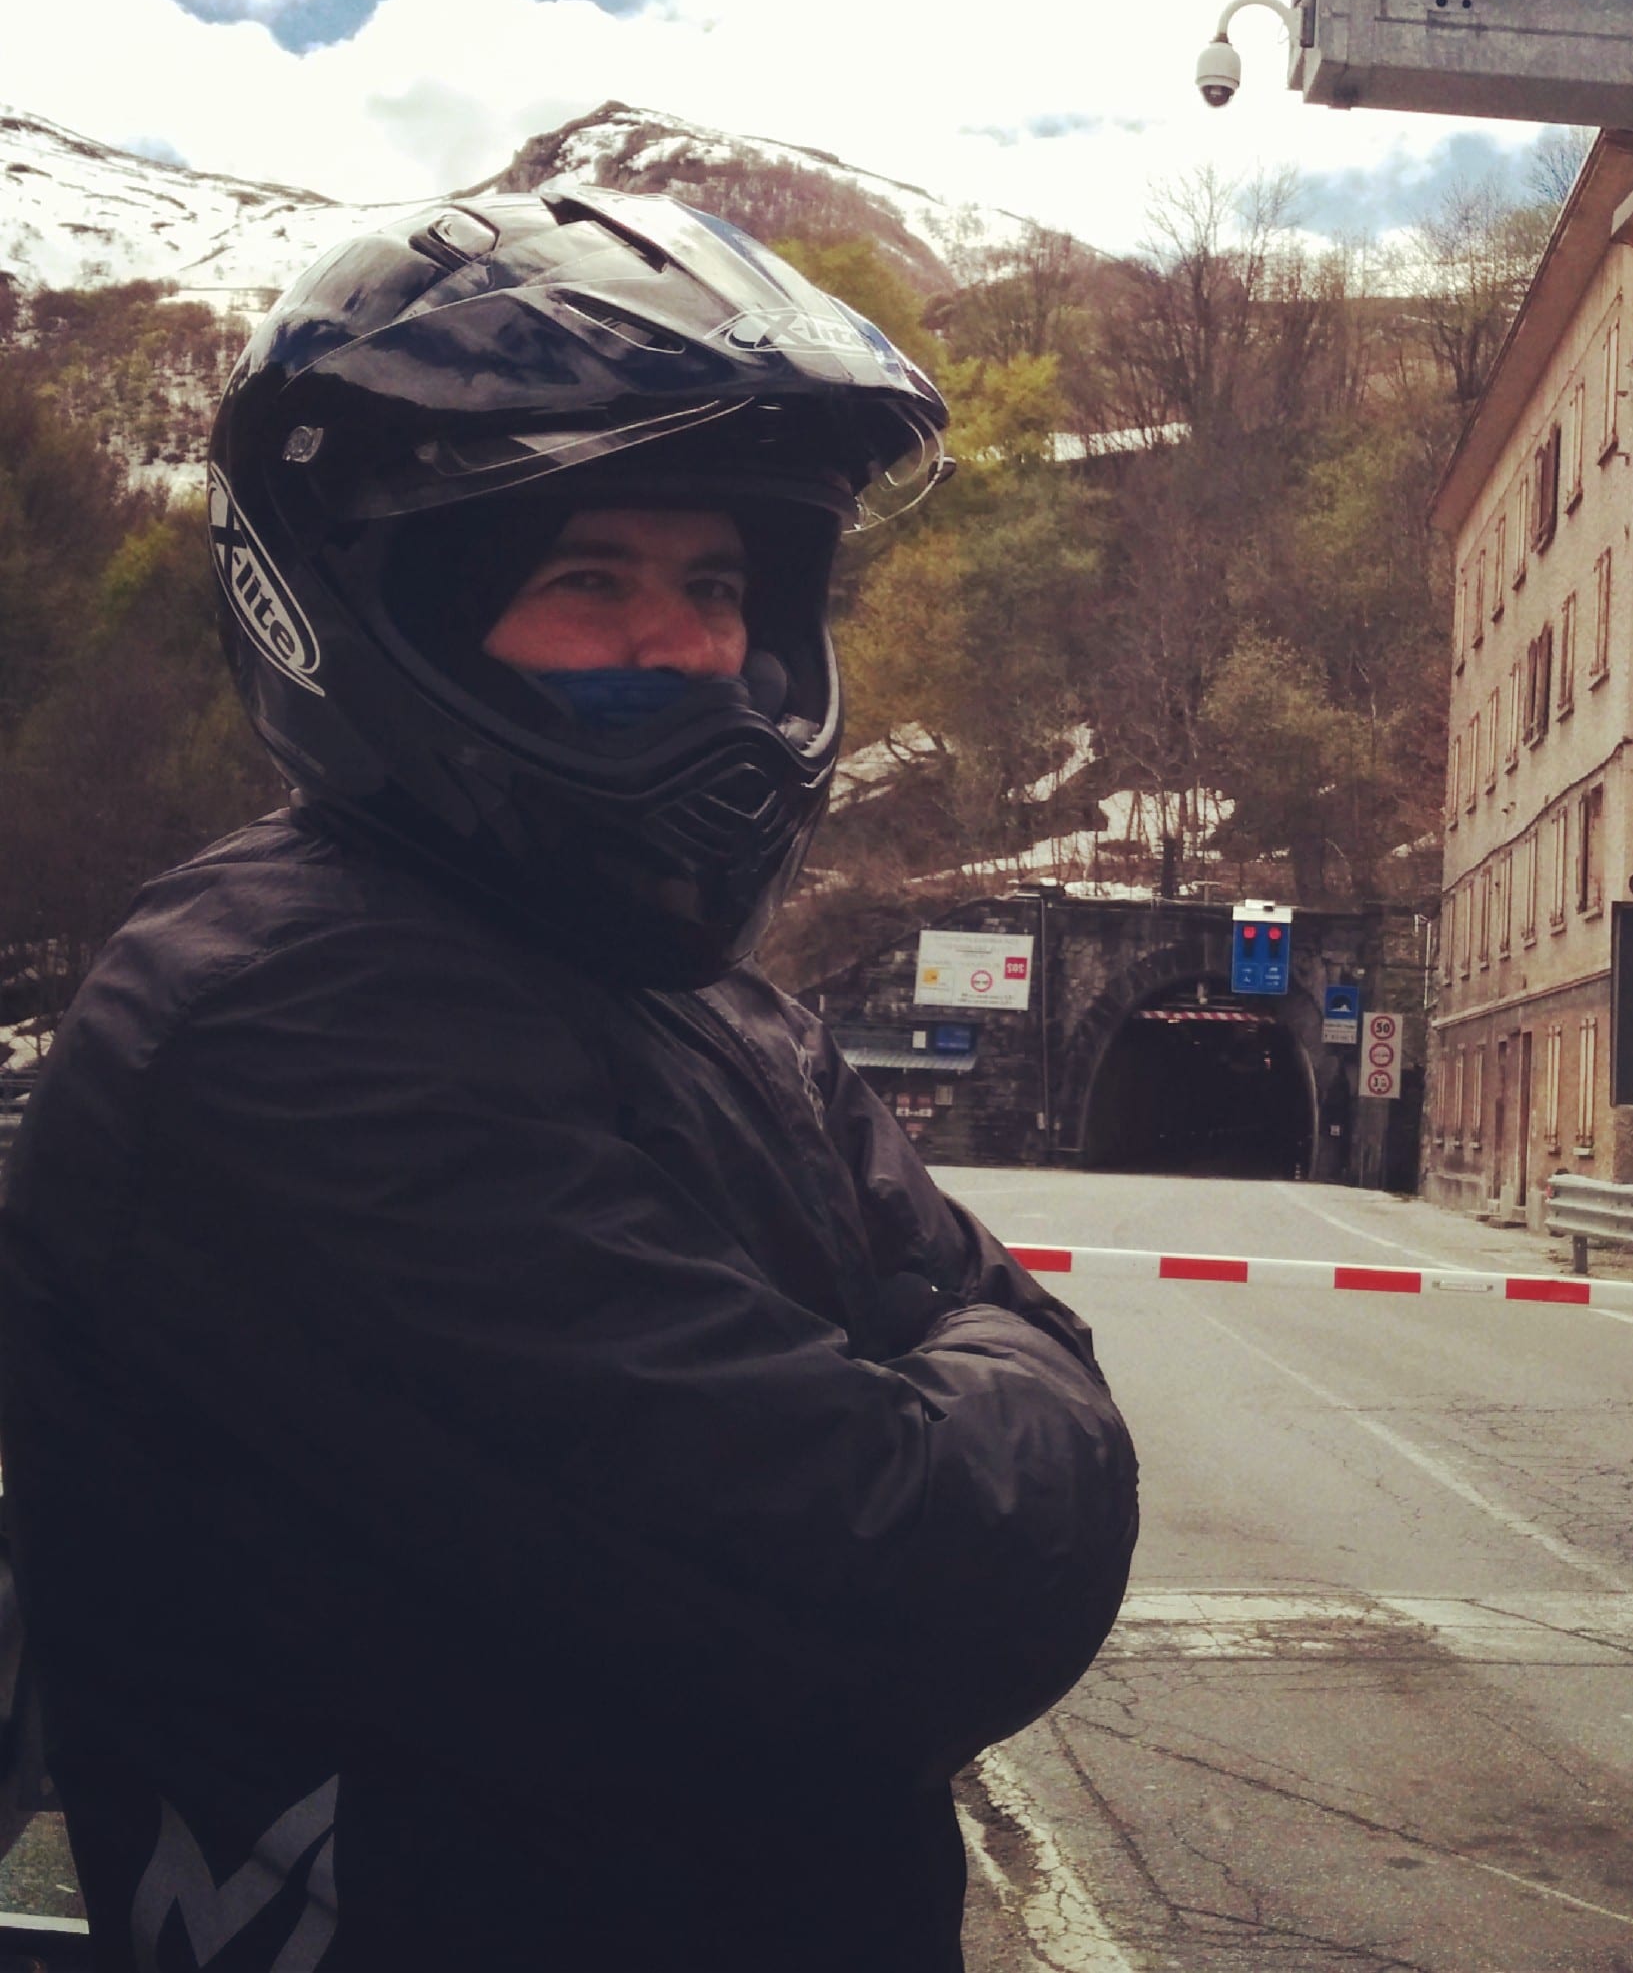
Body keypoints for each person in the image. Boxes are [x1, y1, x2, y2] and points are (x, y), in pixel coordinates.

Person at [0, 186, 1139, 1972]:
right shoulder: (286, 1024)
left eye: (717, 585)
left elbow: (990, 1388)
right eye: (586, 577)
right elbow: (887, 1588)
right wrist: (972, 1372)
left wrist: (973, 1375)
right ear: (392, 622)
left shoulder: (691, 994)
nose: (687, 648)